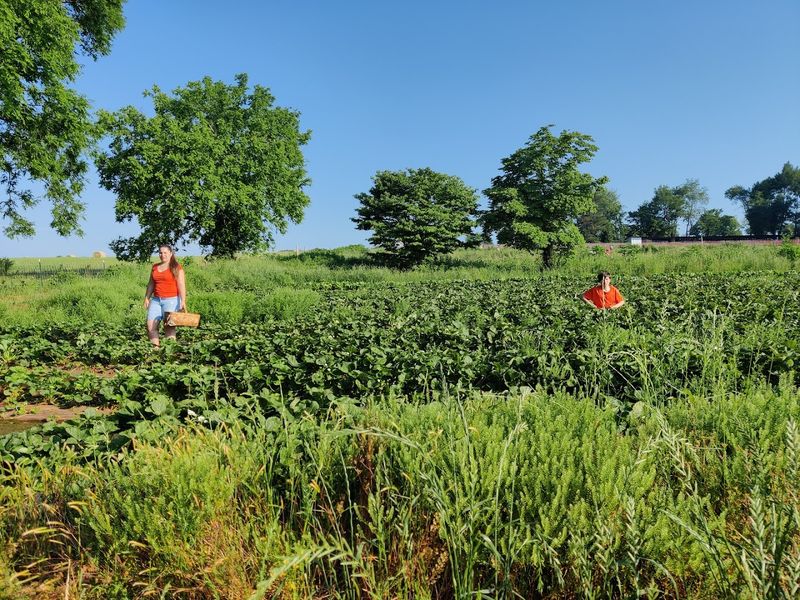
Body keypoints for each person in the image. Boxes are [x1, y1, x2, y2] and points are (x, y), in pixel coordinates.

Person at [144, 244, 187, 346]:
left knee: (169, 326)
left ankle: (169, 354)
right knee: (150, 326)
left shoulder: (176, 267)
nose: (162, 255)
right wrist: (147, 298)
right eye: (160, 252)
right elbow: (151, 283)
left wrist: (183, 301)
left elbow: (181, 285)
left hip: (171, 300)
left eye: (165, 253)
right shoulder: (155, 267)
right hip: (156, 300)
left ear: (171, 254)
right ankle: (155, 352)